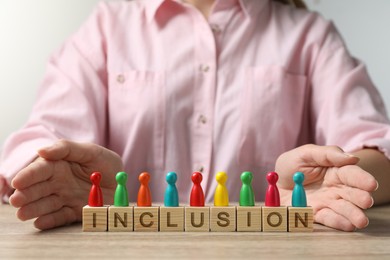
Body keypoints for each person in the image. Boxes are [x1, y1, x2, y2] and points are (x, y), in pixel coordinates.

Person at [1, 0, 389, 232]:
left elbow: (376, 146)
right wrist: (48, 170)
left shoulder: (310, 36)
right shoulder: (107, 27)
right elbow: (44, 135)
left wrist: (345, 178)